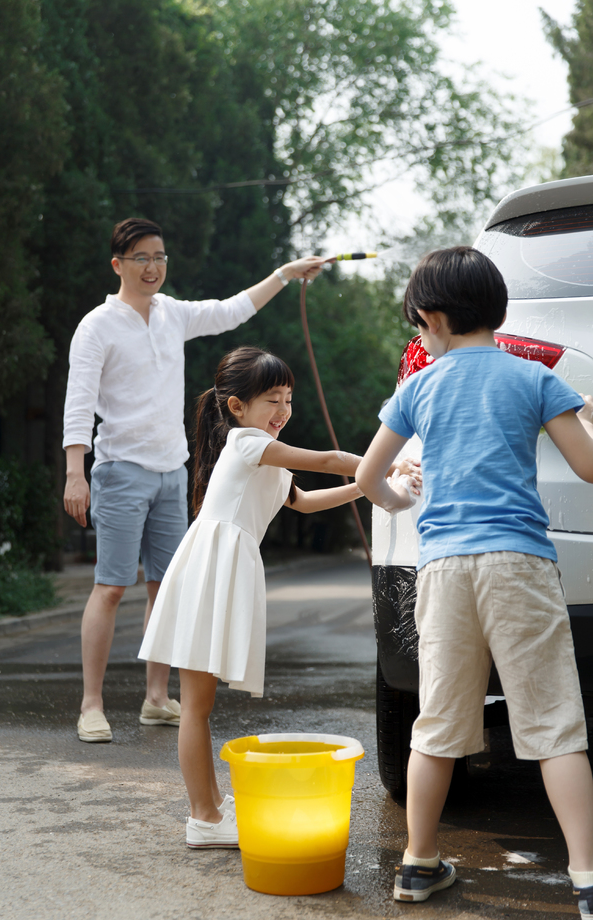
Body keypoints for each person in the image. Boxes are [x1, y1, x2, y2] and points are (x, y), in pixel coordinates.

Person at [355, 246, 593, 917]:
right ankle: (585, 877)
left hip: (444, 569)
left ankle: (417, 865)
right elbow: (586, 467)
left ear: (429, 318)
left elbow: (371, 480)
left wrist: (405, 495)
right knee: (553, 725)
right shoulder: (532, 379)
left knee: (435, 726)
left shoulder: (418, 387)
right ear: (497, 310)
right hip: (518, 563)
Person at [139, 346, 420, 848]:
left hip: (223, 565)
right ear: (237, 408)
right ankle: (204, 817)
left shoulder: (261, 451)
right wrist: (389, 466)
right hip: (213, 566)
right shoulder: (247, 442)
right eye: (273, 398)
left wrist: (365, 485)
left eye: (288, 398)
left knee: (200, 706)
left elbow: (306, 502)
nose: (284, 410)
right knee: (197, 706)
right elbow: (332, 460)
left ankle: (210, 811)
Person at [63, 217, 326, 744]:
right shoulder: (98, 325)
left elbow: (232, 310)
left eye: (160, 256)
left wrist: (283, 273)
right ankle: (91, 704)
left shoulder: (173, 315)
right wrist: (76, 471)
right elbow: (80, 400)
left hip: (171, 471)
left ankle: (156, 697)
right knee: (112, 586)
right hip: (118, 470)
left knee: (167, 587)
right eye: (142, 258)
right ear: (119, 265)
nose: (154, 266)